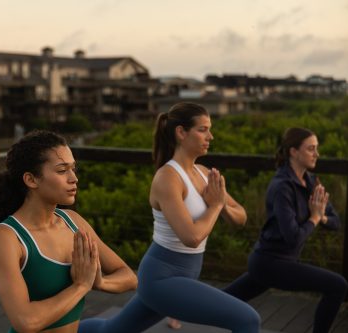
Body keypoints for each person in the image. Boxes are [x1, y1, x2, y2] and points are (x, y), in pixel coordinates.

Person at [79, 102, 260, 333]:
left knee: (111, 330)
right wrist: (215, 206)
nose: (210, 136)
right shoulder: (168, 178)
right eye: (202, 129)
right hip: (161, 279)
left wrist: (221, 204)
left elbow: (241, 217)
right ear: (181, 132)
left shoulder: (205, 174)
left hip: (186, 274)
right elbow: (191, 237)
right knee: (247, 319)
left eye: (209, 129)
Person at [0, 130, 137, 333]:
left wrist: (99, 282)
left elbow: (129, 277)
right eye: (62, 170)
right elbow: (26, 322)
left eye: (73, 169)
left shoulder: (73, 221)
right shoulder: (6, 238)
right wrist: (81, 286)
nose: (74, 178)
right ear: (31, 180)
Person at [224, 127, 347, 333]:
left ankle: (178, 309)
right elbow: (293, 238)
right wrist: (315, 217)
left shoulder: (310, 181)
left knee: (222, 300)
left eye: (317, 148)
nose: (317, 154)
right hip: (270, 263)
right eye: (311, 149)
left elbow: (335, 222)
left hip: (274, 262)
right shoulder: (282, 187)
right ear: (293, 152)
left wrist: (321, 215)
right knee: (338, 285)